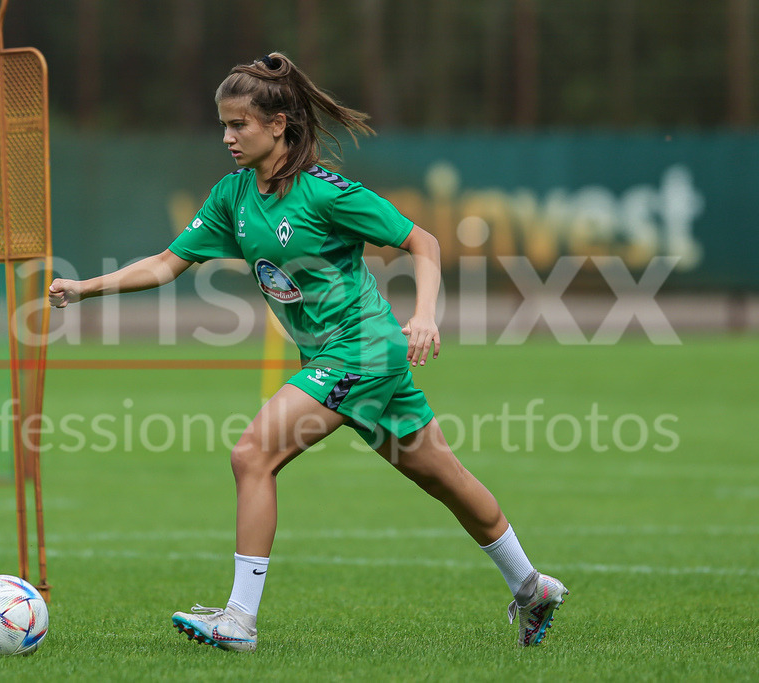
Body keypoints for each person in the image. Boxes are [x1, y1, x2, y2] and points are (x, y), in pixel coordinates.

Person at [48, 52, 568, 651]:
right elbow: (168, 263)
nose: (227, 137)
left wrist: (424, 314)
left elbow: (421, 241)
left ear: (278, 125)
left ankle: (239, 621)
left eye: (238, 125)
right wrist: (87, 287)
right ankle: (532, 588)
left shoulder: (326, 193)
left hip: (360, 351)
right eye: (222, 125)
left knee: (252, 455)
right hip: (350, 359)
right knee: (445, 480)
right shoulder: (233, 196)